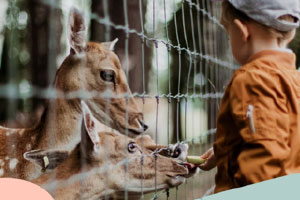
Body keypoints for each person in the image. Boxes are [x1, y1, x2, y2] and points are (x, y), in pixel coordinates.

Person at [197, 0, 300, 193]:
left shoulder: (252, 80)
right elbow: (276, 135)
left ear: (241, 31)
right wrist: (223, 151)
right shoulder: (294, 78)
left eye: (228, 34)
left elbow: (263, 163)